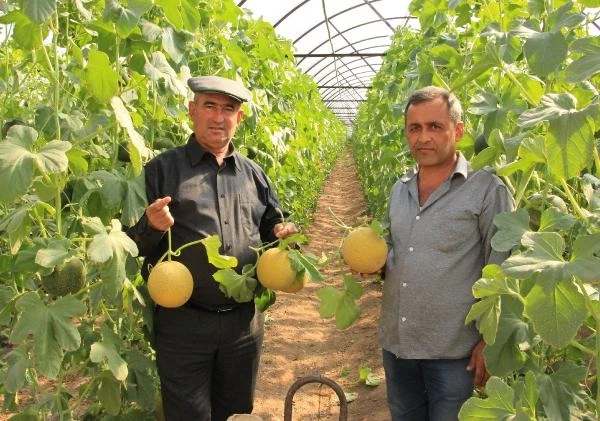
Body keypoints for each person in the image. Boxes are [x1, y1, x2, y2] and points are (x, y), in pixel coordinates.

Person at [127, 75, 297, 421]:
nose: (219, 117)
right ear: (192, 110)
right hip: (183, 324)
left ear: (240, 118)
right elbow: (131, 246)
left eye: (229, 109)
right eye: (210, 106)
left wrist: (282, 233)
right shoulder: (160, 170)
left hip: (243, 326)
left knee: (235, 413)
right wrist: (150, 226)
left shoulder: (255, 174)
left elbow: (271, 229)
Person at [379, 86, 515, 421]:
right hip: (398, 346)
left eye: (434, 126)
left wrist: (490, 341)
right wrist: (374, 262)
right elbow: (396, 251)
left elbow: (504, 269)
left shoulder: (487, 190)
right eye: (415, 128)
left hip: (455, 353)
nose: (423, 137)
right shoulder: (400, 189)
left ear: (457, 130)